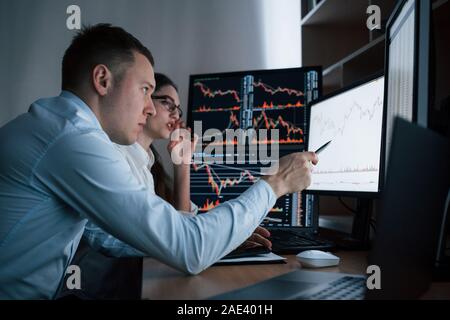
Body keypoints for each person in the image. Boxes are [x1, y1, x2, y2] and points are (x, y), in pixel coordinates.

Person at [0, 24, 318, 299]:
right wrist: (276, 183)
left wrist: (223, 239)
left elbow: (110, 236)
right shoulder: (72, 139)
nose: (151, 109)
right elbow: (189, 250)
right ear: (102, 79)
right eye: (145, 90)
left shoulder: (57, 126)